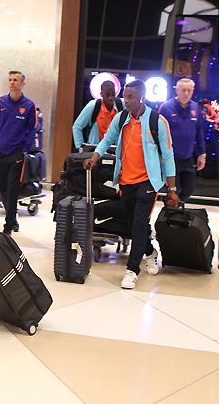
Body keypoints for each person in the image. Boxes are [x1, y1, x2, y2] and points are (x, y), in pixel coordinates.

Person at [84, 80, 178, 290]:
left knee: (138, 223)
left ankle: (132, 270)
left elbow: (168, 155)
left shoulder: (157, 121)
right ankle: (150, 251)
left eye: (131, 97)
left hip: (148, 182)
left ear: (142, 98)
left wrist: (171, 189)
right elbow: (106, 140)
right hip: (125, 181)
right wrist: (95, 157)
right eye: (125, 96)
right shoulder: (121, 118)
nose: (126, 101)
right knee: (133, 225)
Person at [0, 71, 37, 236]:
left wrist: (24, 149)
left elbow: (31, 129)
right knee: (3, 189)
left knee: (12, 189)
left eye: (15, 80)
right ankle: (13, 218)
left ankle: (8, 225)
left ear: (22, 84)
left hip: (16, 153)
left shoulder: (29, 106)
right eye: (10, 79)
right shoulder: (0, 102)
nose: (11, 82)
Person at [159, 78, 206, 201]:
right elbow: (158, 132)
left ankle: (175, 207)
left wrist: (202, 154)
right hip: (170, 158)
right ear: (177, 91)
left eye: (189, 90)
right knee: (174, 190)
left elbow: (199, 132)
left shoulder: (195, 108)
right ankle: (172, 209)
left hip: (187, 158)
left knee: (189, 189)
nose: (186, 93)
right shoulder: (166, 108)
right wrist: (160, 154)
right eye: (183, 90)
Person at [72, 80, 124, 149]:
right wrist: (80, 147)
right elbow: (77, 126)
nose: (111, 98)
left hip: (114, 148)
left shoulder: (121, 104)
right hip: (95, 147)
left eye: (113, 94)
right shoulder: (93, 105)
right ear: (101, 94)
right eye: (107, 95)